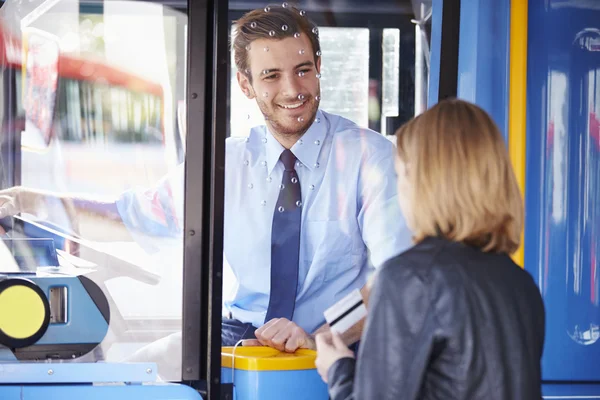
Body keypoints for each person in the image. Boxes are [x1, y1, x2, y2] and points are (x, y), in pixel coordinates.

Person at [0, 4, 413, 352]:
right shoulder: (225, 163)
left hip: (336, 342)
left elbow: (396, 276)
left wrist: (321, 336)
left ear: (319, 67)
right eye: (271, 75)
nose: (293, 89)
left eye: (303, 70)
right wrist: (25, 201)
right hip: (237, 335)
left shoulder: (370, 158)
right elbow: (127, 216)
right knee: (132, 376)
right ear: (246, 84)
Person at [314, 99, 546, 399]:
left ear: (425, 181)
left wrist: (339, 369)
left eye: (401, 176)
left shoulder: (410, 276)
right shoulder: (520, 284)